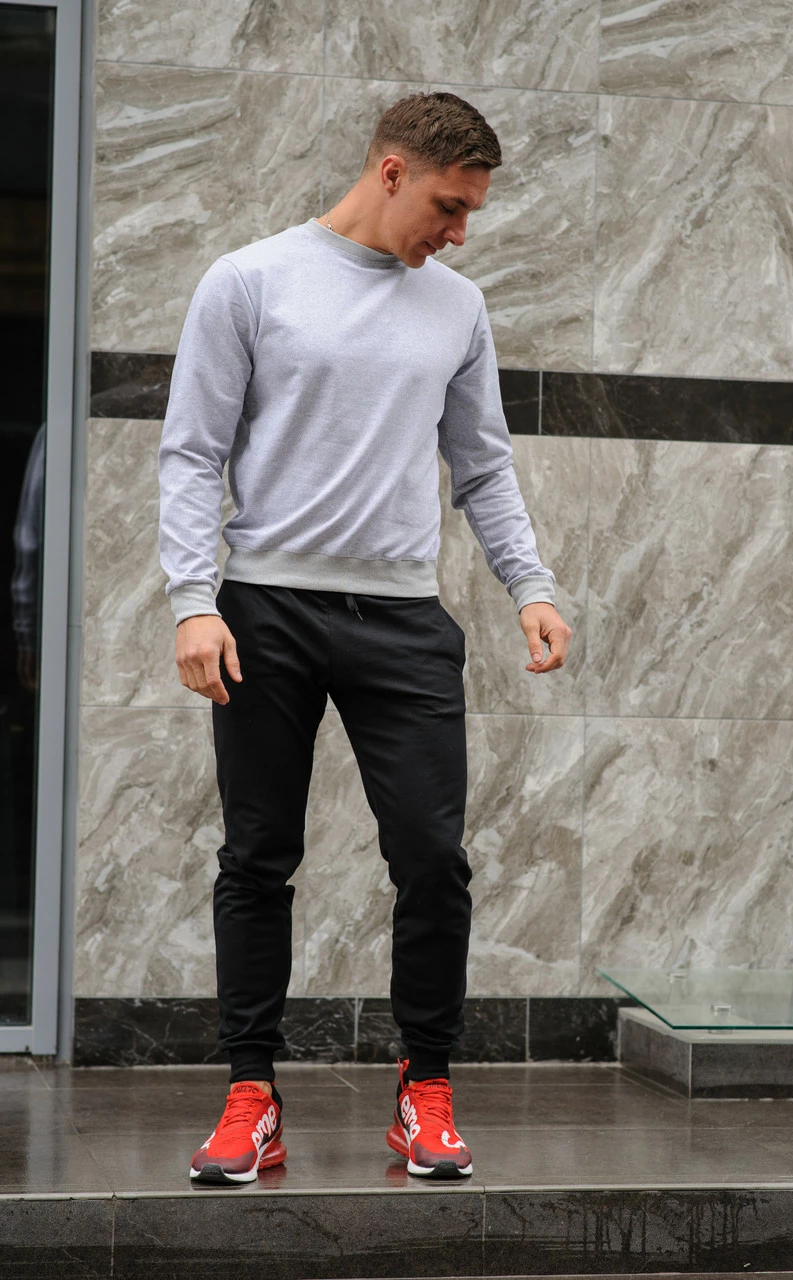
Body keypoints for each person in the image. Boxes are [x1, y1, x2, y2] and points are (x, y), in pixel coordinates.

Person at [157, 90, 572, 1186]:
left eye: (470, 212)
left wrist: (528, 584)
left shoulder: (457, 307)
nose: (459, 232)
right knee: (257, 856)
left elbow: (481, 463)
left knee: (432, 858)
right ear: (391, 172)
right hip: (265, 608)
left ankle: (424, 1088)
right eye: (448, 206)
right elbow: (192, 451)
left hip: (402, 616)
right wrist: (193, 600)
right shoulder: (250, 280)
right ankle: (251, 1094)